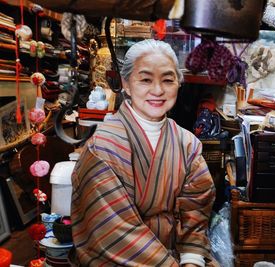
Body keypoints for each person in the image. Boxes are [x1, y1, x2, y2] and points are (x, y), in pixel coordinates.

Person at [70, 39, 219, 267]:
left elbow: (196, 212)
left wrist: (192, 259)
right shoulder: (103, 147)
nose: (158, 90)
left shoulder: (187, 143)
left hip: (176, 256)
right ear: (126, 84)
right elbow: (112, 232)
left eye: (168, 80)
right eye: (145, 79)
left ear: (179, 83)